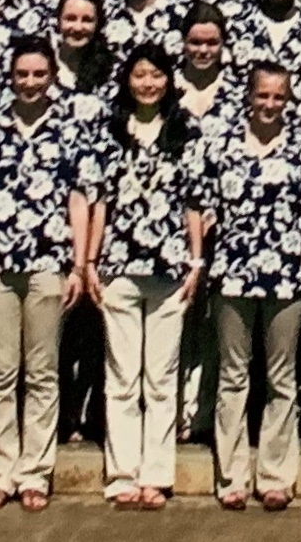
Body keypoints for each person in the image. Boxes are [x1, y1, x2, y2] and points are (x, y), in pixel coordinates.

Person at [75, 44, 209, 508]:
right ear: (127, 80)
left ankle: (156, 473)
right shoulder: (109, 129)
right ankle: (123, 473)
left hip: (170, 268)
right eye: (139, 75)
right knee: (122, 378)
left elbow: (195, 201)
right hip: (119, 267)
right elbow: (98, 200)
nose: (148, 83)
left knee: (160, 376)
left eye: (156, 75)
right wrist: (89, 262)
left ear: (169, 80)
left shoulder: (186, 129)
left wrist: (196, 261)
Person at [0, 36, 89, 510]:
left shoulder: (68, 128)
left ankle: (35, 471)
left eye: (39, 74)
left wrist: (78, 264)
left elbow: (78, 199)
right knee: (0, 371)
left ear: (52, 76)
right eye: (23, 74)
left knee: (42, 372)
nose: (31, 83)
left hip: (48, 264)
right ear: (11, 76)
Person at [206, 64, 301, 511]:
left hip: (284, 279)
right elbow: (206, 208)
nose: (270, 105)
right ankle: (231, 475)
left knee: (281, 378)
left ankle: (275, 474)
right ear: (249, 96)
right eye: (263, 96)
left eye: (279, 97)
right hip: (232, 276)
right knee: (233, 376)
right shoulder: (223, 145)